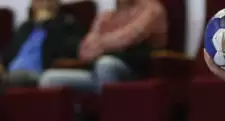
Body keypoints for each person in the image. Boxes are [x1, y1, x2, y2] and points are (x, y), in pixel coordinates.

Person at [39, 0, 167, 92]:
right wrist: (104, 44)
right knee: (49, 79)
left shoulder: (151, 9)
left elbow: (128, 38)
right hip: (97, 73)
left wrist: (100, 43)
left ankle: (113, 118)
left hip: (136, 72)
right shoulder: (107, 16)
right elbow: (84, 50)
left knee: (106, 64)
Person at [0, 0, 84, 88]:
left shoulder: (67, 24)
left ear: (57, 3)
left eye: (48, 1)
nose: (44, 4)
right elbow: (9, 52)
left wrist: (48, 23)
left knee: (17, 76)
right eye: (39, 1)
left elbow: (67, 51)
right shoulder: (25, 27)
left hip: (39, 72)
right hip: (11, 72)